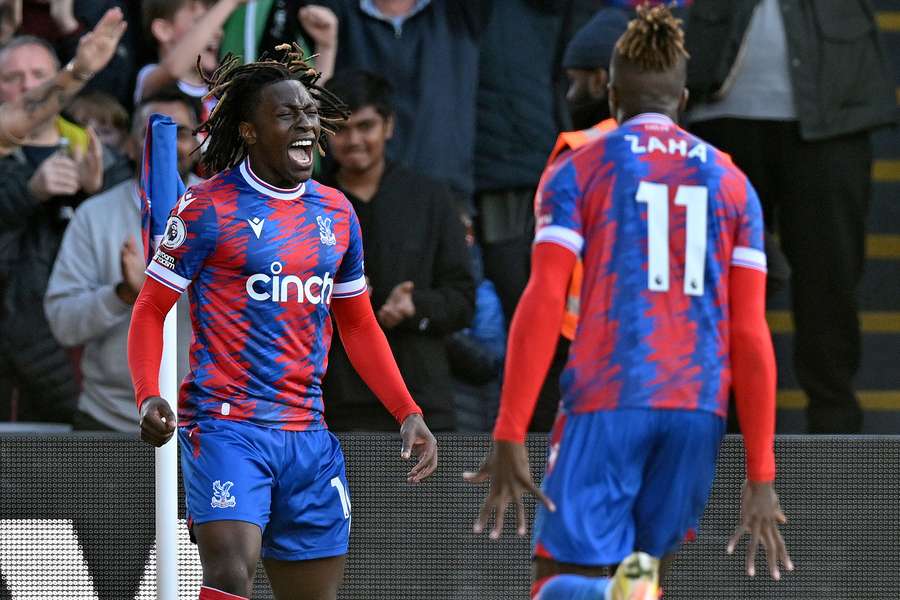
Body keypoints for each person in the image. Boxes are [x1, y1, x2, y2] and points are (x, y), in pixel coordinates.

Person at [465, 6, 792, 599]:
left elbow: (541, 300)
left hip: (610, 395)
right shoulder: (733, 181)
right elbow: (750, 333)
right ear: (684, 96)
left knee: (563, 576)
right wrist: (761, 472)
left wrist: (510, 428)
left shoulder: (580, 165)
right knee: (639, 573)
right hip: (697, 408)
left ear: (610, 93)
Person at [127, 45, 438, 600]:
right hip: (226, 426)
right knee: (229, 572)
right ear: (248, 131)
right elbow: (151, 308)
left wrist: (407, 410)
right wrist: (148, 394)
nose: (305, 126)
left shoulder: (336, 213)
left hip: (308, 435)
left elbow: (360, 326)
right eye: (286, 114)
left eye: (310, 113)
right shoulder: (207, 209)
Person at [684, 0, 897, 434]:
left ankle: (836, 441)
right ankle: (725, 435)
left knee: (830, 281)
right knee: (722, 286)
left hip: (834, 113)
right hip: (718, 111)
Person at [320, 69, 475, 432]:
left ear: (388, 126)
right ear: (324, 134)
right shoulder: (309, 202)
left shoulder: (431, 197)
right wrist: (330, 300)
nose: (354, 140)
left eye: (366, 126)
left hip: (423, 401)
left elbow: (464, 299)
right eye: (341, 129)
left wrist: (416, 306)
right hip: (335, 405)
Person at [45, 89, 200, 432]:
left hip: (205, 422)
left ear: (198, 143)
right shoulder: (94, 216)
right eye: (153, 133)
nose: (168, 144)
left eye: (181, 133)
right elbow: (62, 323)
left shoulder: (227, 213)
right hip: (109, 419)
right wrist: (123, 294)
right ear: (131, 144)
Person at [0, 10, 128, 424]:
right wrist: (28, 191)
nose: (28, 87)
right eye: (13, 77)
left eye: (40, 74)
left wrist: (98, 196)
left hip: (80, 354)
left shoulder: (98, 156)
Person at [136, 0, 247, 121]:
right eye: (201, 22)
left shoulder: (221, 91)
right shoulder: (148, 78)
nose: (218, 32)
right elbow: (173, 69)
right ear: (163, 30)